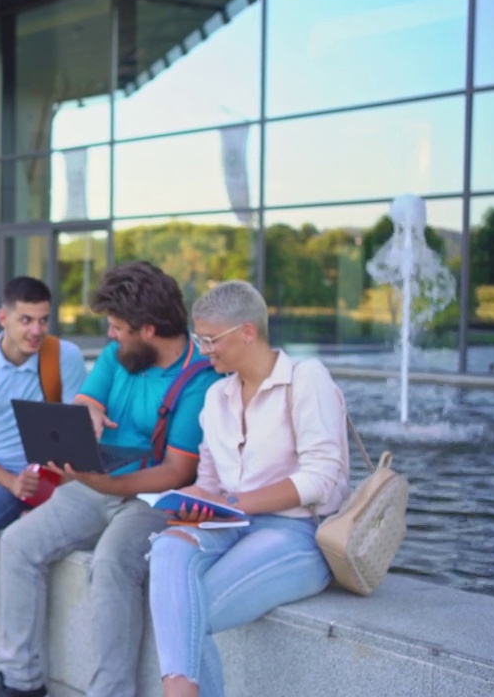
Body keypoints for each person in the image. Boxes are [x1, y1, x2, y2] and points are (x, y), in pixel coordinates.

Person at [0, 261, 221, 697]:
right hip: (99, 484)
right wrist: (87, 414)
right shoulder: (120, 354)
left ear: (147, 329)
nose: (110, 336)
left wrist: (105, 485)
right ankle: (20, 682)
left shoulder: (200, 381)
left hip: (153, 498)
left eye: (117, 327)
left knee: (112, 562)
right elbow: (87, 398)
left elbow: (177, 471)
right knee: (19, 543)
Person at [148, 280, 351, 697]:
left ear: (247, 332)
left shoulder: (305, 378)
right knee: (168, 545)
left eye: (210, 340)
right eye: (199, 340)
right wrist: (190, 506)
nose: (203, 350)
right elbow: (208, 483)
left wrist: (232, 502)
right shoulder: (217, 396)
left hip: (297, 533)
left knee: (187, 614)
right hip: (232, 524)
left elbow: (321, 478)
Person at [0, 276, 86, 628]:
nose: (36, 330)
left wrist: (41, 493)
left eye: (43, 320)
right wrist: (8, 481)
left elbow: (75, 439)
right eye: (26, 320)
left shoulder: (65, 358)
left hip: (23, 480)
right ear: (3, 318)